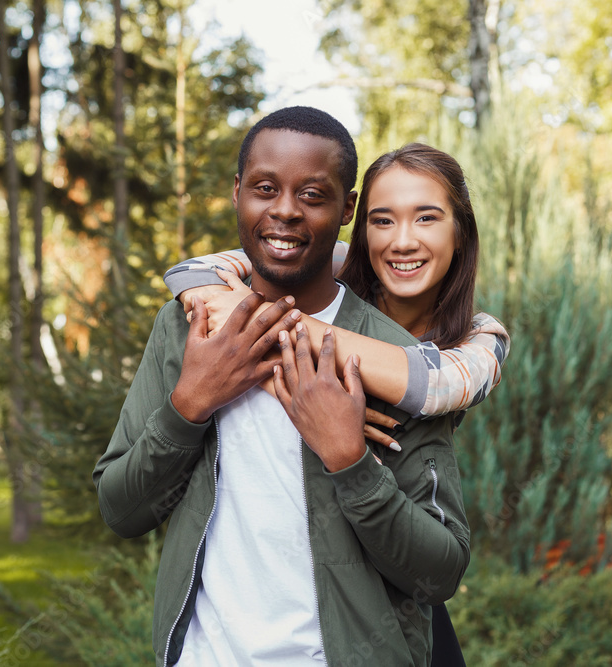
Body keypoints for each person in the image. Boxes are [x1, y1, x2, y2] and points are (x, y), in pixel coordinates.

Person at [93, 107, 470, 666]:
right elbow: (122, 510)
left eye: (313, 195)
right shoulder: (185, 328)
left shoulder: (397, 365)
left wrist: (349, 459)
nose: (285, 211)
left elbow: (439, 573)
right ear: (238, 192)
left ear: (347, 210)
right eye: (265, 188)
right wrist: (190, 405)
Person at [163, 142, 510, 665]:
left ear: (461, 230)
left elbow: (433, 386)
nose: (403, 241)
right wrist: (210, 294)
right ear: (359, 226)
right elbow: (196, 269)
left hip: (393, 579)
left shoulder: (478, 338)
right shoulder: (340, 274)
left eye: (427, 218)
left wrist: (273, 330)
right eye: (383, 220)